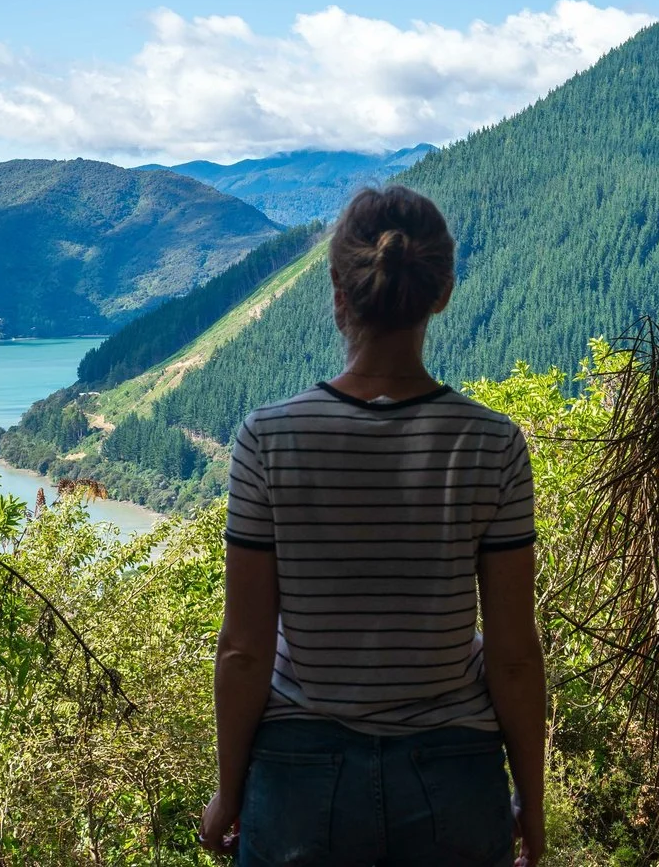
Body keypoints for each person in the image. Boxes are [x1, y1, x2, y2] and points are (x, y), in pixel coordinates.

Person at [198, 185, 547, 867]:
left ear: (337, 289)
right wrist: (530, 805)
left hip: (300, 778)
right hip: (455, 775)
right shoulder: (492, 443)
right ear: (442, 293)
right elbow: (512, 654)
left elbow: (244, 648)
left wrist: (229, 791)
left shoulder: (269, 439)